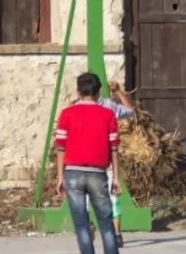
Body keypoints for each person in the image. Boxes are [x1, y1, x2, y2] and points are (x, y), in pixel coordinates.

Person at [54, 72, 121, 254]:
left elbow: (61, 147)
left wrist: (60, 177)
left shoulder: (66, 114)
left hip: (72, 173)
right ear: (99, 92)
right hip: (98, 174)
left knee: (81, 224)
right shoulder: (108, 115)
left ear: (78, 91)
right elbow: (114, 148)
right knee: (106, 224)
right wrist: (116, 178)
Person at [89, 80, 134, 248]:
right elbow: (130, 111)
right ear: (99, 91)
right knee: (113, 197)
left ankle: (87, 227)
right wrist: (118, 91)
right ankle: (116, 235)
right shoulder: (108, 106)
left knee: (84, 197)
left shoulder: (76, 108)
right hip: (105, 159)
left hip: (84, 162)